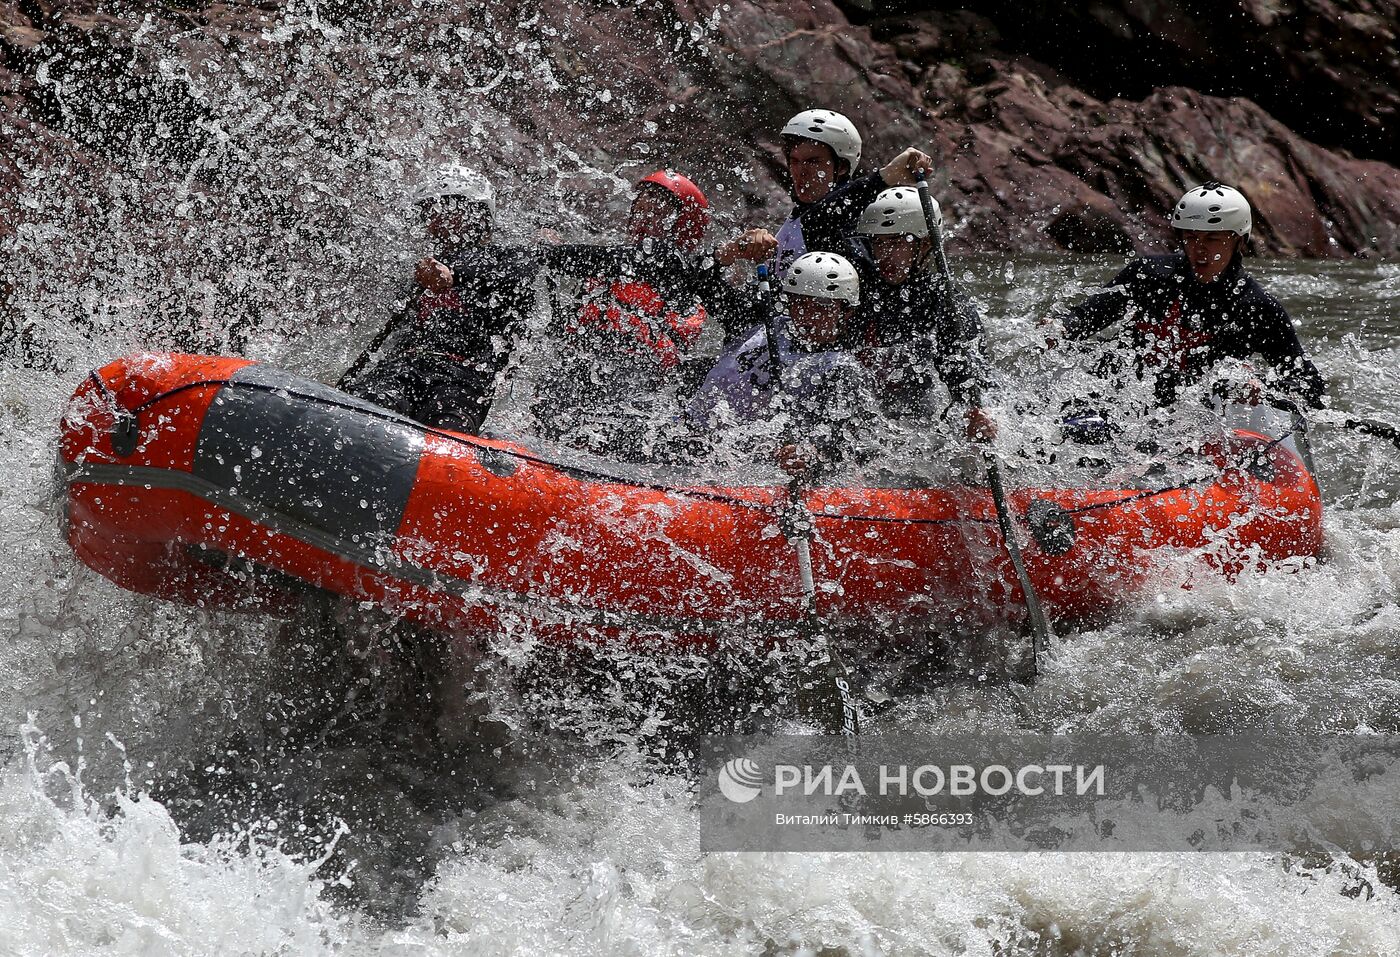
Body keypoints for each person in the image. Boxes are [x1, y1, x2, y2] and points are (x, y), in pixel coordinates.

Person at [536, 169, 759, 456]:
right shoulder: (615, 262)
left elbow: (735, 313)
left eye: (654, 213)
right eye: (638, 210)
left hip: (636, 389)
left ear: (682, 226)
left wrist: (730, 254)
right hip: (577, 370)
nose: (642, 220)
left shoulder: (683, 273)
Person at [1058, 182, 1326, 414]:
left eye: (1212, 239)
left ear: (1239, 242)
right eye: (1191, 237)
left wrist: (1264, 390)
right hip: (1117, 397)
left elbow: (1309, 384)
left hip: (1193, 419)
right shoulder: (1147, 276)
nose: (1200, 250)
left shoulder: (1255, 307)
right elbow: (1085, 318)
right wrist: (1060, 328)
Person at [342, 166, 540, 434]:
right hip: (404, 368)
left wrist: (453, 275)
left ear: (475, 214)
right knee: (373, 404)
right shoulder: (421, 272)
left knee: (449, 427)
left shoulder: (509, 261)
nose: (431, 220)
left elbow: (499, 270)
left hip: (464, 381)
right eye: (428, 211)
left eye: (440, 209)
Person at [688, 251, 881, 478]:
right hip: (686, 434)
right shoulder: (760, 322)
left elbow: (841, 440)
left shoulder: (840, 371)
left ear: (845, 311)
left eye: (821, 305)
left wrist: (810, 454)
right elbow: (700, 284)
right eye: (799, 302)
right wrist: (730, 252)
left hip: (742, 466)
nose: (807, 315)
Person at [852, 186, 997, 441]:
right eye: (879, 242)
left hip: (924, 419)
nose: (885, 254)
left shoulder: (947, 302)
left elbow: (966, 377)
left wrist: (976, 415)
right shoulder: (860, 288)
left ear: (927, 244)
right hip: (875, 417)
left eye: (897, 242)